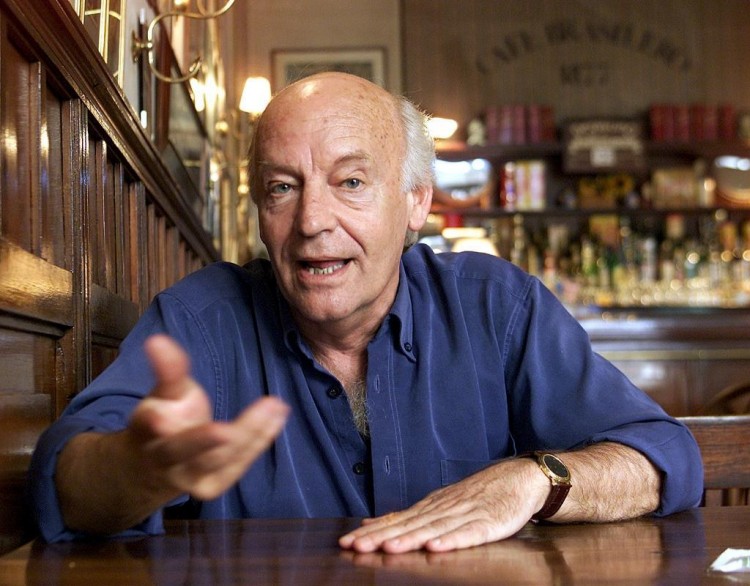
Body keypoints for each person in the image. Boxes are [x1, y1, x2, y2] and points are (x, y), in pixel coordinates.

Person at [29, 72, 703, 554]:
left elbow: (665, 455)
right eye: (281, 188)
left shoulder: (496, 306)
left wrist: (537, 481)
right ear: (259, 212)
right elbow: (66, 484)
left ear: (415, 202)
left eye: (350, 182)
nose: (313, 222)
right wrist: (140, 467)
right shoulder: (201, 322)